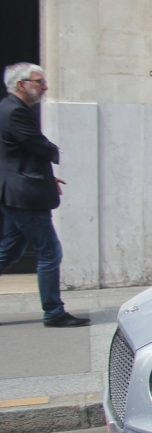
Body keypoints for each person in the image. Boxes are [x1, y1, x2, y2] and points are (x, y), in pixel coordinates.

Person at [0, 63, 88, 327]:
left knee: (8, 252)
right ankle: (54, 312)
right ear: (21, 85)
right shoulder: (15, 111)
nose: (45, 86)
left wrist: (48, 177)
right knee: (50, 252)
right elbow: (35, 145)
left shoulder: (12, 108)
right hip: (24, 195)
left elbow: (18, 155)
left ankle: (54, 310)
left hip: (18, 191)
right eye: (39, 81)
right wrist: (55, 150)